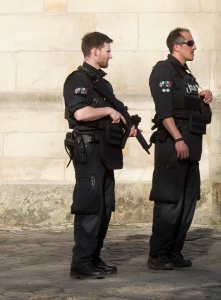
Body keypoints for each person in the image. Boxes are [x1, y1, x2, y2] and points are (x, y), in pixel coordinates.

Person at [63, 32, 137, 279]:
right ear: (94, 51)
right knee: (90, 206)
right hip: (88, 148)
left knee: (105, 206)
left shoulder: (102, 83)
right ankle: (81, 263)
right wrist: (106, 110)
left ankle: (93, 257)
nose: (110, 55)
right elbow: (81, 114)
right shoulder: (78, 80)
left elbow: (112, 111)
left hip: (104, 150)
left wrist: (127, 125)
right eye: (107, 50)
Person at [147, 28, 212, 270]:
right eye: (190, 43)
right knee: (170, 200)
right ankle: (158, 254)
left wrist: (203, 98)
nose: (194, 47)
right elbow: (164, 111)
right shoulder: (164, 70)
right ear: (177, 46)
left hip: (191, 145)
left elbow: (198, 114)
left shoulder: (188, 77)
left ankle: (174, 251)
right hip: (174, 145)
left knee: (187, 202)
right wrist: (177, 138)